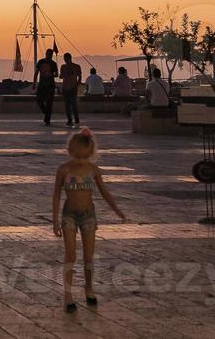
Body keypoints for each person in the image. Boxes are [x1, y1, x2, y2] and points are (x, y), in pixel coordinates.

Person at [51, 128, 125, 313]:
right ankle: (68, 293)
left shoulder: (94, 170)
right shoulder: (64, 169)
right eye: (77, 157)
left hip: (88, 215)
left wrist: (117, 210)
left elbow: (104, 192)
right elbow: (56, 196)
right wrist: (54, 220)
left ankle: (89, 288)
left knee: (89, 256)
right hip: (69, 214)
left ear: (90, 155)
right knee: (70, 254)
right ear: (70, 152)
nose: (80, 161)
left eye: (84, 157)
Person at [35, 48, 57, 126]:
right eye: (48, 54)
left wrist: (51, 74)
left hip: (50, 85)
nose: (49, 55)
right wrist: (34, 83)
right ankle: (46, 112)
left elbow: (56, 74)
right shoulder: (41, 62)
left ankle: (47, 120)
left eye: (51, 54)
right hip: (42, 85)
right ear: (46, 54)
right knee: (39, 100)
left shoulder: (53, 64)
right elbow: (36, 72)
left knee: (49, 103)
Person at [59, 53, 82, 127]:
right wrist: (62, 75)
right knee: (67, 105)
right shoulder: (63, 67)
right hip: (65, 88)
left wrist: (77, 84)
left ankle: (76, 119)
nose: (65, 60)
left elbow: (80, 76)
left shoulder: (76, 66)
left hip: (73, 88)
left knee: (73, 104)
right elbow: (61, 76)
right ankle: (69, 120)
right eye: (64, 59)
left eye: (67, 58)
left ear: (70, 58)